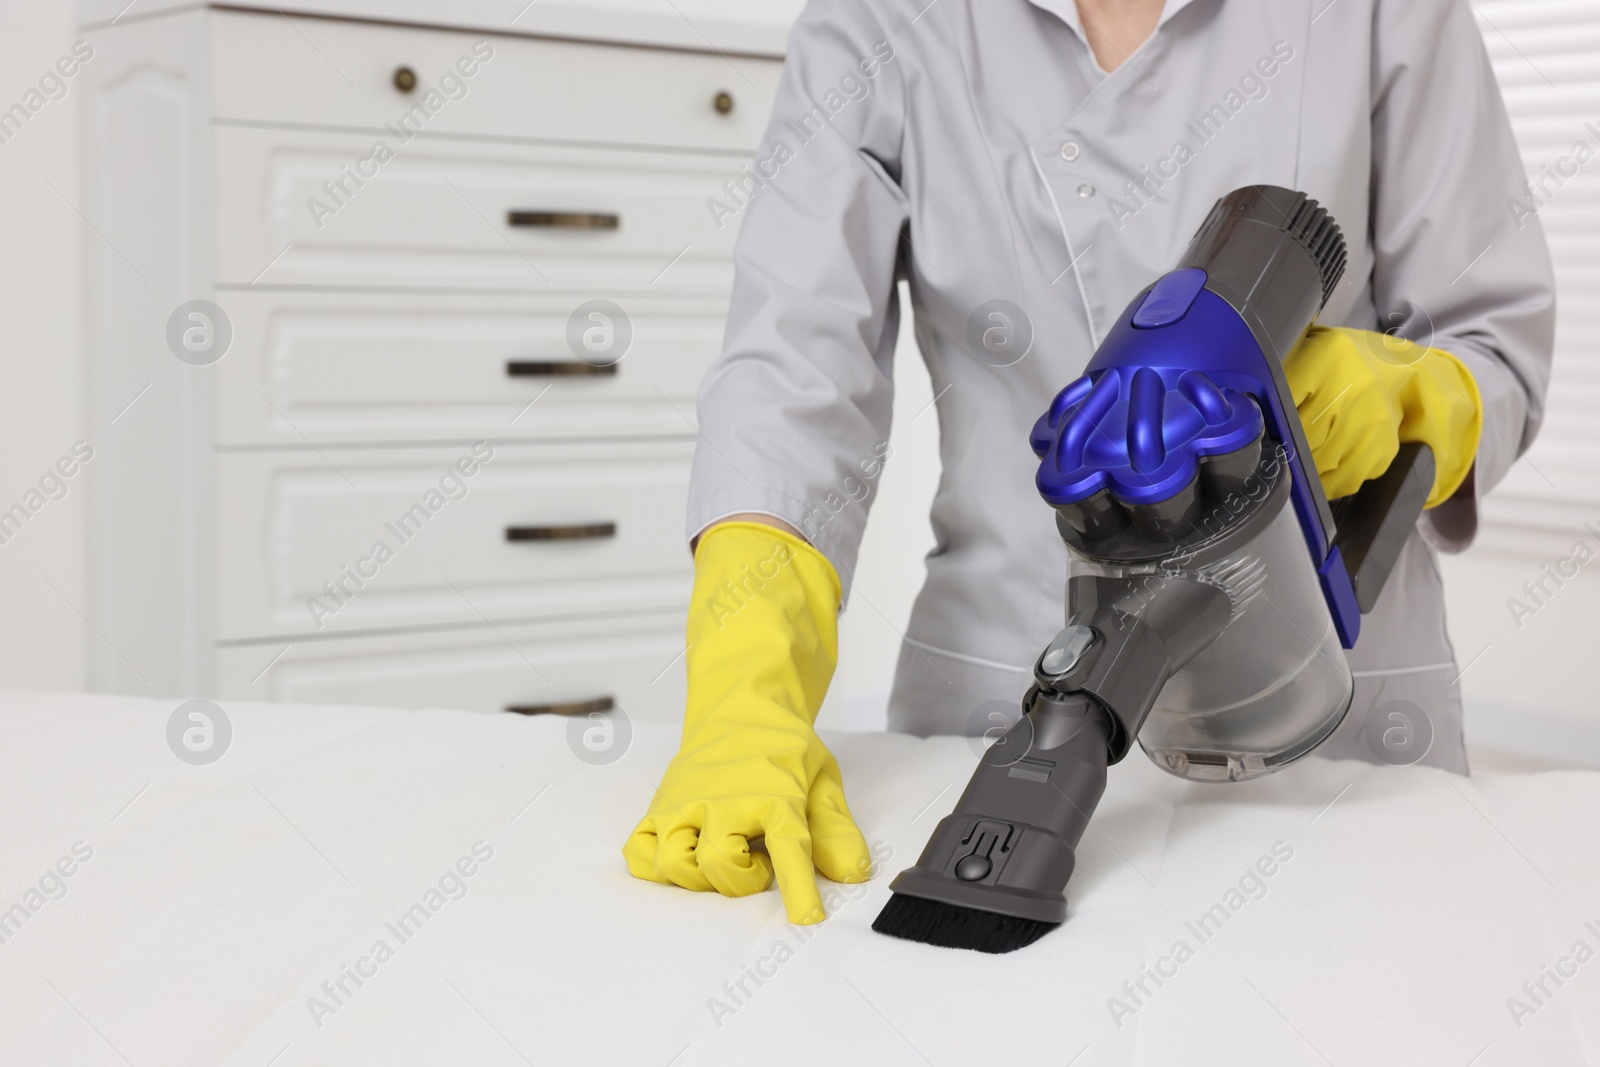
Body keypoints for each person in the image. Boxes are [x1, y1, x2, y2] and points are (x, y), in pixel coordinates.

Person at [624, 0, 1555, 924]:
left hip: (1333, 719)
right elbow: (791, 371)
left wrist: (1410, 389)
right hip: (998, 694)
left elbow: (1494, 334)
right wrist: (744, 696)